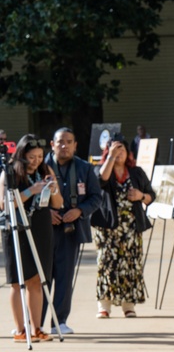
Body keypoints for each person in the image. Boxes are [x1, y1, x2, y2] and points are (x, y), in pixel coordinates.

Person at [1, 135, 63, 342]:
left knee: (37, 279)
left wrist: (52, 189)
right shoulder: (9, 173)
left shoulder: (45, 170)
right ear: (21, 155)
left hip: (41, 227)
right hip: (16, 228)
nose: (36, 161)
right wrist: (31, 190)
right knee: (18, 281)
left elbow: (58, 203)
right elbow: (5, 205)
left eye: (39, 156)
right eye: (31, 156)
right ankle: (20, 329)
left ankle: (37, 327)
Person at [44, 127, 103, 334]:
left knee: (64, 276)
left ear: (75, 145)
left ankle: (58, 321)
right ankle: (36, 321)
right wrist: (45, 213)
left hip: (70, 229)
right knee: (41, 277)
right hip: (44, 229)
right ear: (52, 144)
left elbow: (96, 197)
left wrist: (79, 211)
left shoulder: (85, 168)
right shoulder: (41, 167)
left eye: (69, 142)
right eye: (60, 142)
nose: (64, 146)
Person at [95, 135, 155, 318]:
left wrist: (141, 196)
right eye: (113, 149)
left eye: (121, 149)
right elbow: (100, 180)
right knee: (106, 264)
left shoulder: (136, 172)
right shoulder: (103, 169)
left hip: (131, 227)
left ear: (128, 152)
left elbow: (151, 194)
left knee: (131, 265)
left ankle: (128, 305)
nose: (118, 153)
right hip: (107, 227)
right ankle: (104, 306)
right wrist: (111, 158)